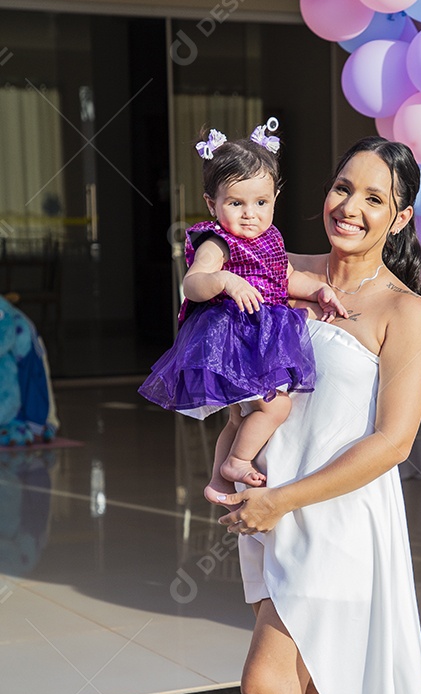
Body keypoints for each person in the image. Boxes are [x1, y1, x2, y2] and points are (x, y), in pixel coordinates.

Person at [155, 138, 421, 694]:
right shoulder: (282, 263)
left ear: (402, 216)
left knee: (266, 688)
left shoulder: (404, 312)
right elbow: (227, 342)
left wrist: (282, 498)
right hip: (275, 513)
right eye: (342, 188)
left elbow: (391, 443)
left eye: (374, 199)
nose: (350, 207)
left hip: (339, 521)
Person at [139, 122, 346, 498]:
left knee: (238, 416)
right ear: (211, 204)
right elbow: (192, 283)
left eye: (261, 203)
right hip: (230, 338)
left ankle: (219, 480)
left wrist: (318, 290)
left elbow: (285, 278)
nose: (250, 214)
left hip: (260, 338)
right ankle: (237, 462)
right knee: (276, 407)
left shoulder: (271, 238)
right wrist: (224, 281)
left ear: (275, 197)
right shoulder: (217, 242)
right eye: (236, 203)